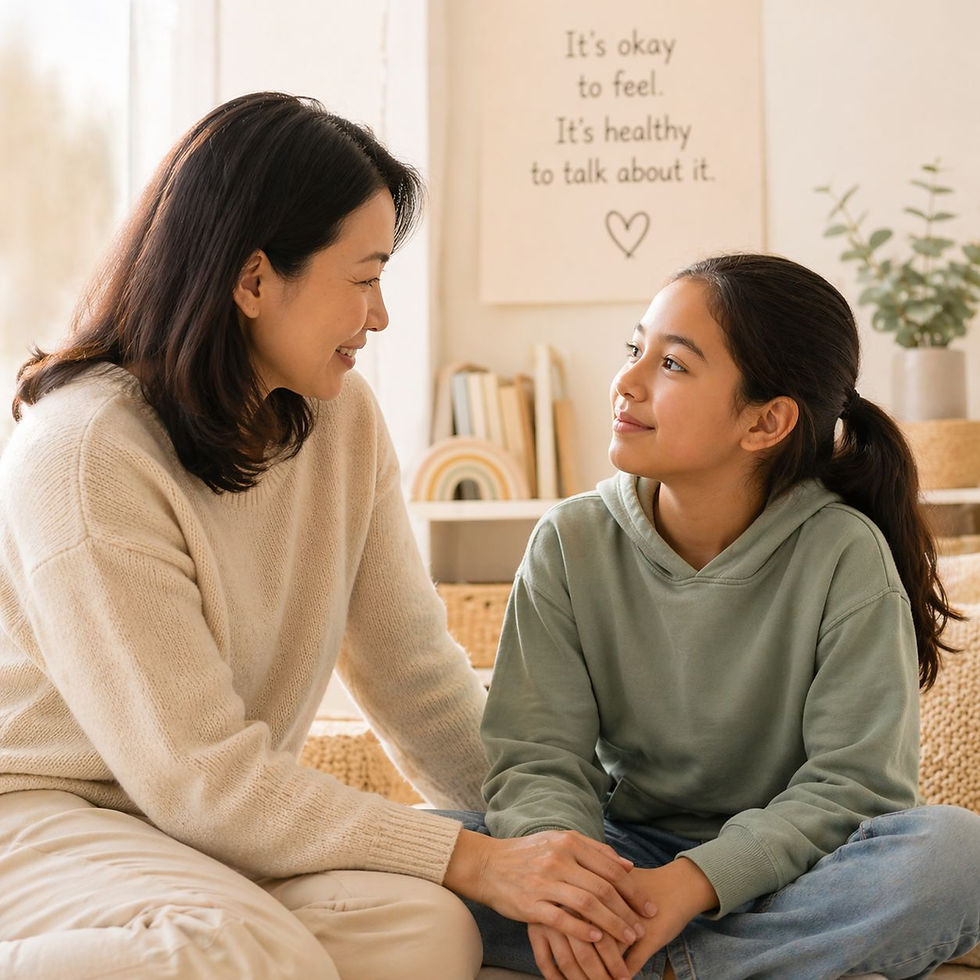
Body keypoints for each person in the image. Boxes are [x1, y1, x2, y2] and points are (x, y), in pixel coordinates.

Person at [0, 92, 652, 979]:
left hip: (193, 835)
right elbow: (197, 774)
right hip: (44, 815)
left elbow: (416, 678)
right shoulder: (84, 451)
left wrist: (569, 851)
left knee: (427, 932)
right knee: (238, 949)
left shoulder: (336, 421)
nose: (379, 316)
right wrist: (480, 861)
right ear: (255, 279)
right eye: (363, 277)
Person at [447, 254, 980, 980]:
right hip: (620, 858)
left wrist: (692, 884)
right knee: (426, 851)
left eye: (671, 364)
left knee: (956, 856)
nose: (627, 382)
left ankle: (670, 964)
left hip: (791, 873)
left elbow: (853, 788)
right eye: (635, 349)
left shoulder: (842, 554)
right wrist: (564, 884)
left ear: (766, 421)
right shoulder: (571, 541)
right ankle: (734, 962)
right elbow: (538, 756)